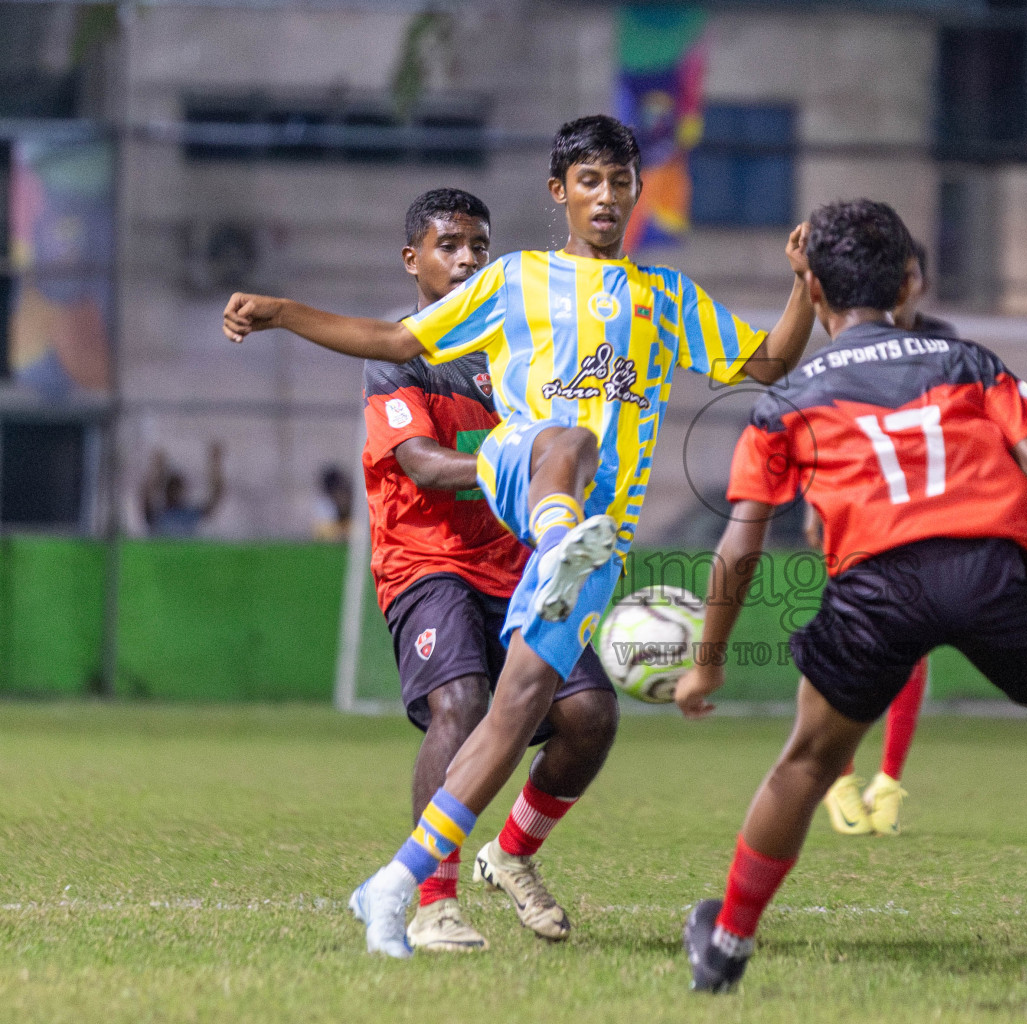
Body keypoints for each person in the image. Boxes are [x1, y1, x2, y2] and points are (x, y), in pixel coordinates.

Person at [222, 114, 816, 958]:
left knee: (516, 718)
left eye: (618, 182)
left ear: (637, 190)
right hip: (522, 477)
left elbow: (763, 366)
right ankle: (557, 524)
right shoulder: (515, 279)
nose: (605, 197)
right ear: (559, 194)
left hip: (581, 555)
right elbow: (396, 340)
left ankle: (394, 885)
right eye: (588, 183)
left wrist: (798, 285)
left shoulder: (667, 298)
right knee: (563, 443)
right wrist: (282, 310)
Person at [674, 199, 1027, 995]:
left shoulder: (784, 403)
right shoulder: (968, 361)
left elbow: (741, 539)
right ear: (904, 284)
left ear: (813, 288)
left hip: (876, 587)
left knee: (805, 764)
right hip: (990, 571)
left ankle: (725, 947)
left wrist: (708, 664)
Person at [361, 186, 619, 952]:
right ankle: (429, 899)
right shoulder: (401, 350)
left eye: (479, 245)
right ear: (414, 260)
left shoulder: (520, 349)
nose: (468, 257)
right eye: (449, 245)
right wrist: (517, 462)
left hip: (520, 562)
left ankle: (510, 854)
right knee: (462, 703)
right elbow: (422, 464)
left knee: (590, 716)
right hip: (426, 564)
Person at [807, 241, 953, 838]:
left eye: (913, 273)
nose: (906, 284)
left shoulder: (943, 346)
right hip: (855, 508)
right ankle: (838, 778)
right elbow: (826, 424)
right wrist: (816, 500)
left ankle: (888, 781)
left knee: (911, 648)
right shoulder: (847, 344)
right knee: (842, 642)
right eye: (899, 272)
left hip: (920, 513)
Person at [141, 443, 224, 537]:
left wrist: (215, 465)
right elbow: (145, 494)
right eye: (171, 489)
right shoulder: (158, 514)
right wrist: (156, 469)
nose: (174, 493)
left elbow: (215, 498)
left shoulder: (189, 514)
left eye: (177, 490)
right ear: (165, 490)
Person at [312, 465, 353, 542]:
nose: (342, 496)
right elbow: (324, 531)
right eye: (338, 491)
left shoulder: (352, 504)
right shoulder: (325, 505)